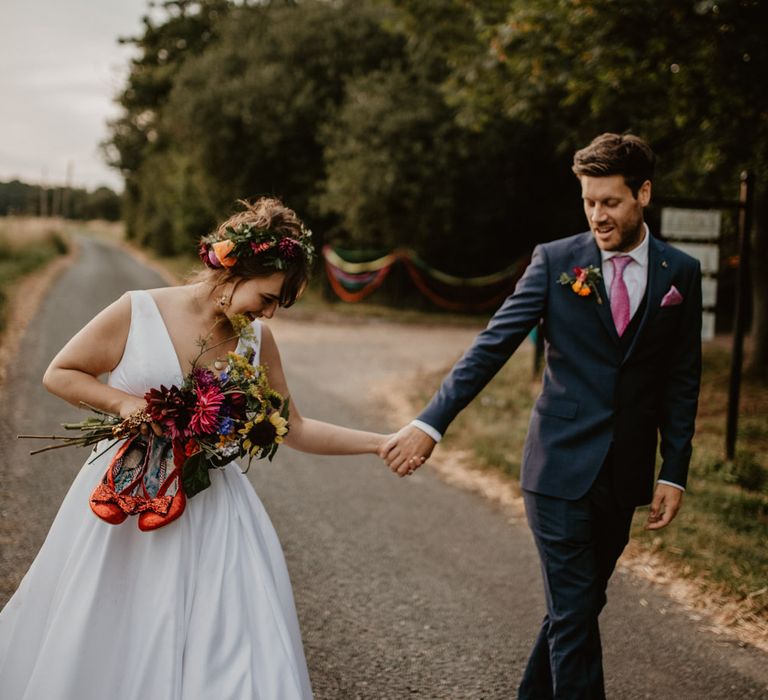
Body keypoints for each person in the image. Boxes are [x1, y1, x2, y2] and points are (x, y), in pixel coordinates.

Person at [0, 197, 387, 699]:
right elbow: (60, 372)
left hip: (215, 511)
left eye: (277, 305)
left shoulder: (257, 340)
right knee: (109, 630)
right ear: (233, 269)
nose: (268, 312)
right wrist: (122, 405)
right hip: (128, 496)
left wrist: (380, 443)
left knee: (232, 649)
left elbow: (294, 427)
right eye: (267, 296)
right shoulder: (138, 309)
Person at [382, 133, 702, 699]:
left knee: (574, 611)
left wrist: (673, 469)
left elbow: (681, 379)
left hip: (624, 473)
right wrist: (431, 422)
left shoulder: (681, 273)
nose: (598, 216)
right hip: (557, 472)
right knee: (575, 617)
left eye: (611, 202)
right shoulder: (557, 262)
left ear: (644, 193)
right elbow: (493, 345)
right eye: (589, 202)